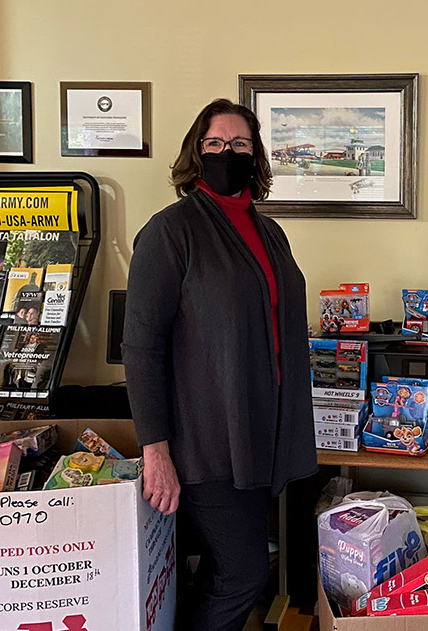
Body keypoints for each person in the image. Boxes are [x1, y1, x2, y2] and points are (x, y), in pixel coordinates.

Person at [123, 98, 316, 631]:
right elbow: (141, 347)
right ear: (196, 152)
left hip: (258, 435)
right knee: (244, 575)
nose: (226, 153)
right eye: (215, 144)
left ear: (255, 156)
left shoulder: (269, 231)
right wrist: (154, 449)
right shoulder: (171, 232)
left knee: (220, 569)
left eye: (239, 145)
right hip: (206, 442)